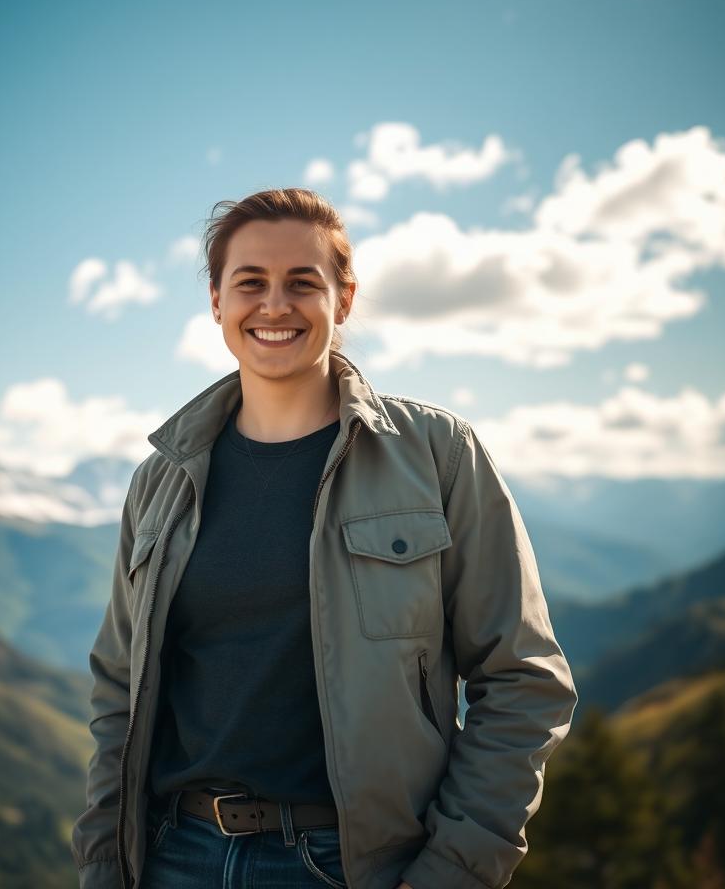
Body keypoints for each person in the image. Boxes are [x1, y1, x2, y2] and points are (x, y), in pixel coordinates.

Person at [70, 188, 578, 889]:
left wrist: (454, 870)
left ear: (343, 299)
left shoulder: (437, 455)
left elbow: (523, 680)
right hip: (173, 856)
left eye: (303, 283)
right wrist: (104, 863)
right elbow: (117, 692)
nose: (275, 305)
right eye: (250, 282)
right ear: (217, 300)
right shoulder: (159, 481)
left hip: (351, 866)